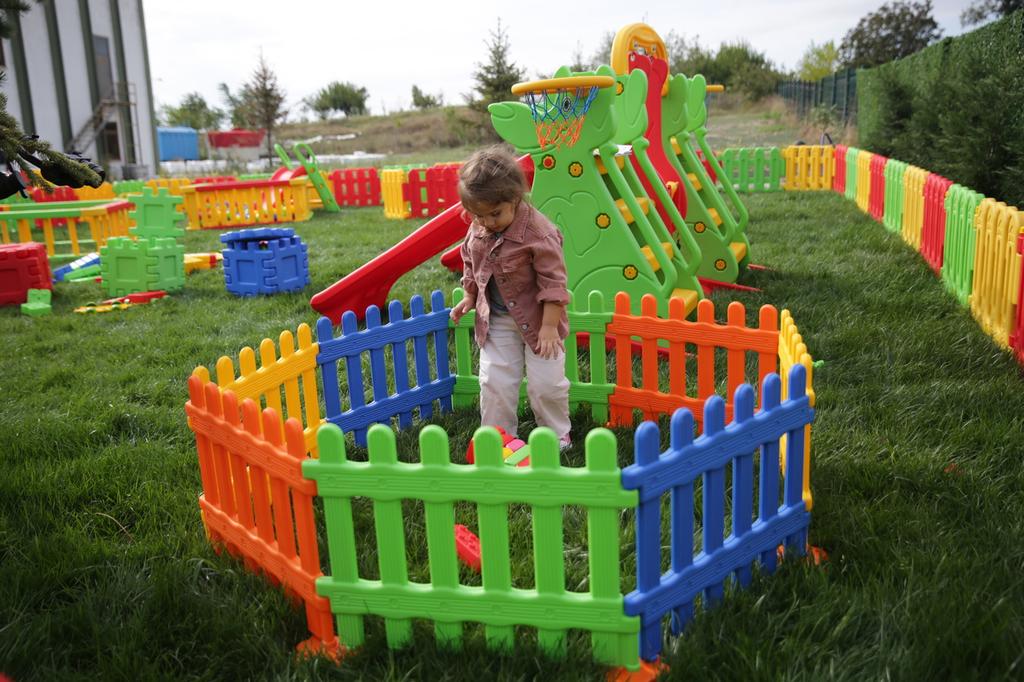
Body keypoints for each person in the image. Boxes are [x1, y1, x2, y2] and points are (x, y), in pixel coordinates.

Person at [449, 146, 572, 449]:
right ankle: (498, 439)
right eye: (478, 215)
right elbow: (470, 259)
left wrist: (548, 327)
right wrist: (469, 295)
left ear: (515, 199)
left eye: (495, 214)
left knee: (546, 384)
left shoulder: (539, 233)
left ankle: (557, 436)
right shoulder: (478, 228)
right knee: (495, 380)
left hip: (541, 319)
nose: (487, 222)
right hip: (498, 319)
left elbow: (554, 282)